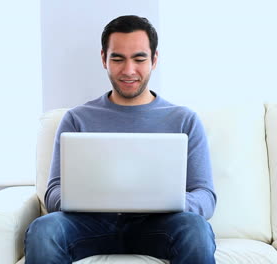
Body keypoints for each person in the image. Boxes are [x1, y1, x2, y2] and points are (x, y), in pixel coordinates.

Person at [24, 15, 217, 264]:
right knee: (44, 229)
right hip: (89, 225)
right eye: (118, 59)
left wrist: (173, 202)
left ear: (154, 60)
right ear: (104, 59)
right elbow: (53, 192)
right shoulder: (77, 119)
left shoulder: (184, 120)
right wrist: (79, 199)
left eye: (139, 59)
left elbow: (205, 195)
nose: (128, 70)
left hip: (159, 226)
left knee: (195, 229)